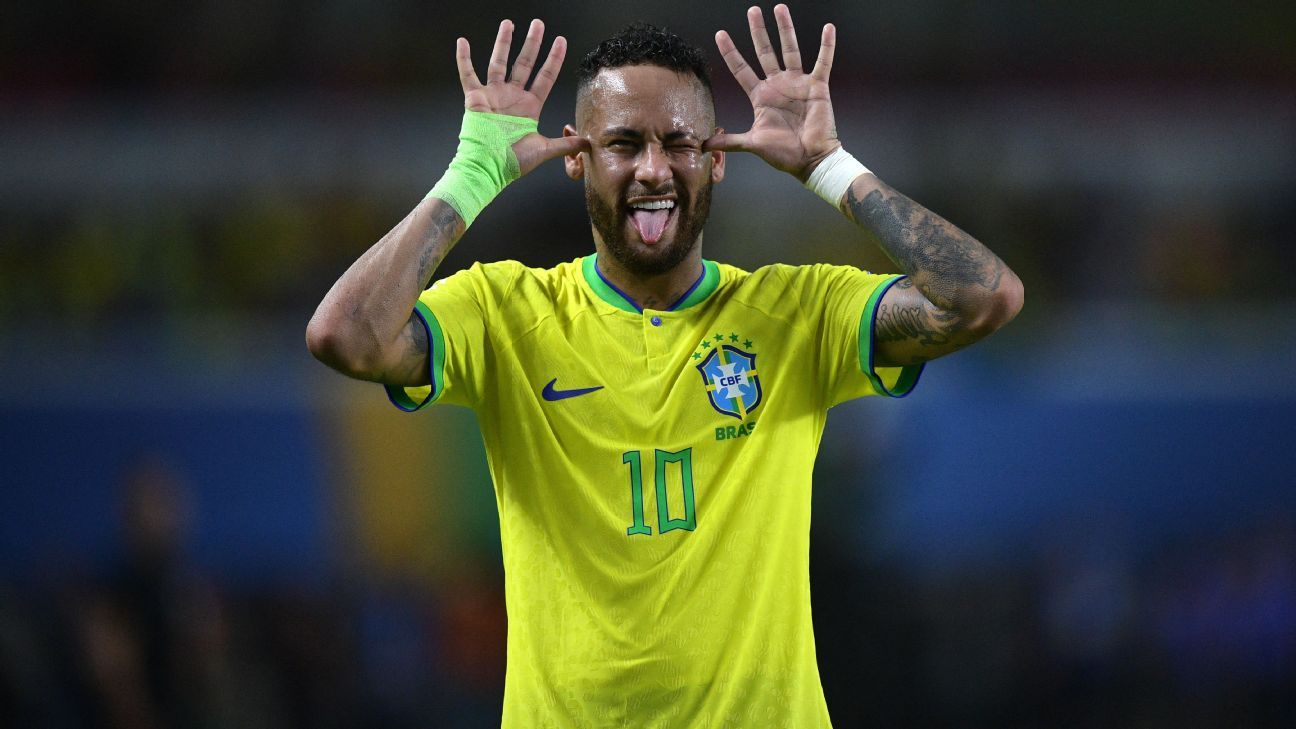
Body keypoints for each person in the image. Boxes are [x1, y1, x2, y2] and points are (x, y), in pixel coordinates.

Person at [307, 4, 1023, 725]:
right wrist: (469, 179)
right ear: (576, 158)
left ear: (715, 157)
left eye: (677, 141)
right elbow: (347, 336)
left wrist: (832, 169)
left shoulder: (798, 312)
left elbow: (983, 298)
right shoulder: (505, 314)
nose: (654, 169)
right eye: (624, 142)